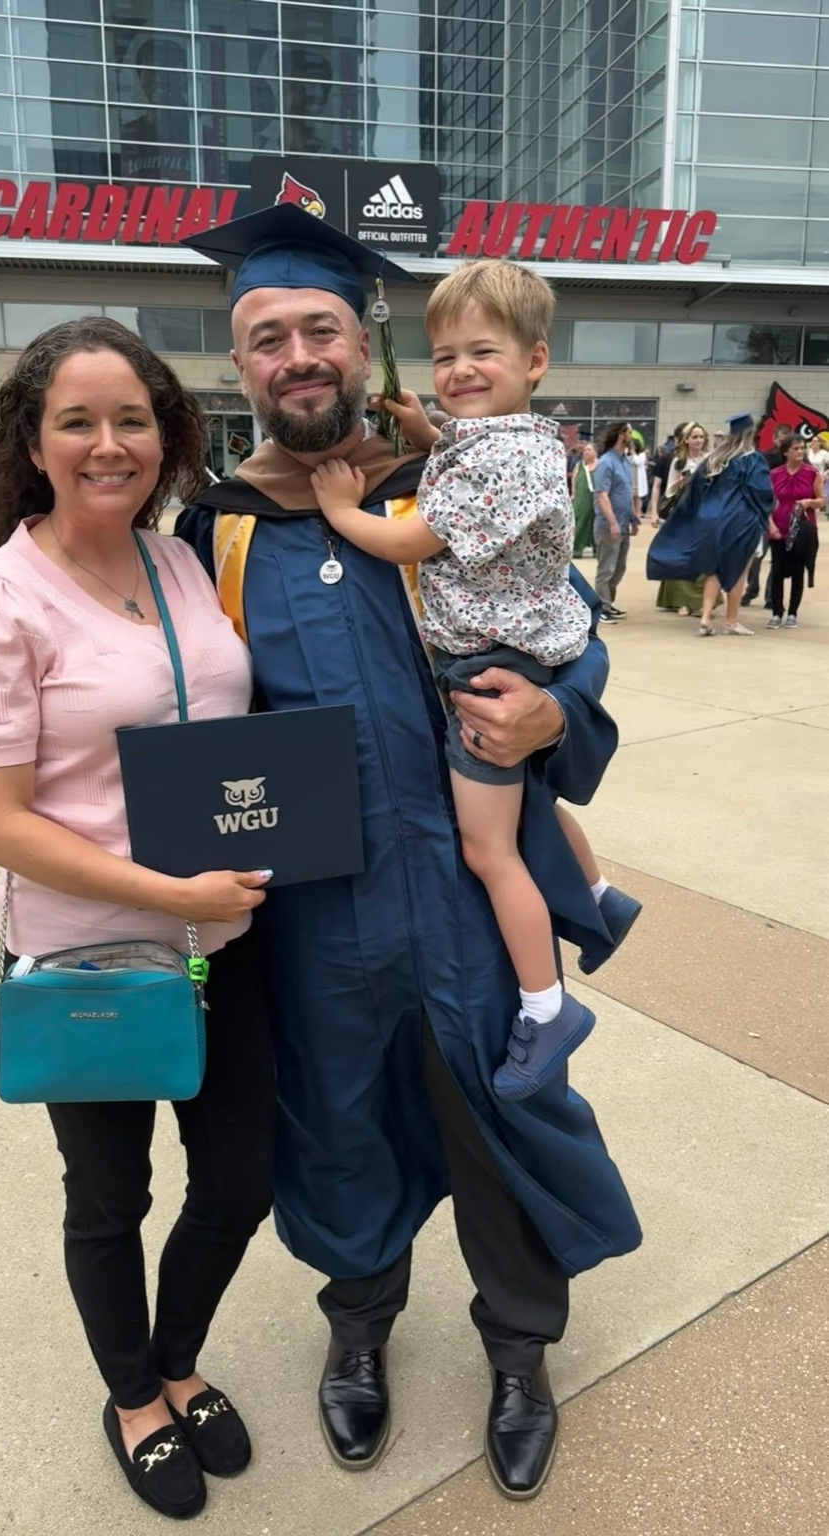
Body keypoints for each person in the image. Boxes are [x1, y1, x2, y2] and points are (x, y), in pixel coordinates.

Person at [177, 205, 640, 1503]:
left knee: (504, 1114)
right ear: (244, 368)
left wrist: (559, 712)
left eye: (318, 326)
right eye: (266, 337)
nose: (295, 354)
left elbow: (564, 634)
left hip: (458, 889)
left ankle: (516, 1347)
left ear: (362, 340)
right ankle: (361, 1320)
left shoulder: (450, 492)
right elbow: (180, 723)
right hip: (315, 917)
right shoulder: (213, 532)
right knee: (337, 1129)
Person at [0, 317, 275, 1521]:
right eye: (76, 420)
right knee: (109, 1196)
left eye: (131, 417)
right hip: (93, 950)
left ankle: (179, 1356)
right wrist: (166, 892)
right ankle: (135, 1395)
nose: (107, 443)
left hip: (222, 942)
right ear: (33, 439)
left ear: (166, 432)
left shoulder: (180, 560)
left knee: (241, 1180)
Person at [309, 258, 641, 1097]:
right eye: (445, 355)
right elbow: (461, 453)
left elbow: (417, 538)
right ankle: (600, 896)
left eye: (482, 353)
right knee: (535, 803)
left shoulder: (503, 463)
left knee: (489, 849)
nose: (459, 370)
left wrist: (344, 511)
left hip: (490, 668)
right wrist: (424, 426)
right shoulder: (513, 439)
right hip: (520, 648)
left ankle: (544, 1008)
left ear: (536, 359)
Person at [647, 413, 774, 637]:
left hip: (713, 520)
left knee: (714, 570)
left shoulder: (714, 459)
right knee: (739, 571)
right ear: (750, 434)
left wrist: (698, 515)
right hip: (741, 522)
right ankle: (731, 621)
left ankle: (705, 618)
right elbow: (762, 492)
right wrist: (768, 513)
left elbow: (695, 490)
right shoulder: (752, 459)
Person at [767, 433, 824, 629]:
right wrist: (771, 525)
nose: (800, 452)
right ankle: (776, 612)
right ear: (785, 452)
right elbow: (768, 503)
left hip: (801, 528)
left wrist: (809, 502)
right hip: (779, 527)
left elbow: (821, 500)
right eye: (796, 448)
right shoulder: (774, 474)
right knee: (777, 570)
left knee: (798, 569)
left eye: (802, 448)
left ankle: (792, 612)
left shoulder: (812, 473)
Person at [653, 422, 708, 617]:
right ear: (687, 440)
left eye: (701, 437)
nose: (698, 441)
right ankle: (682, 601)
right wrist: (682, 482)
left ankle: (701, 601)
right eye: (694, 437)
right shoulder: (679, 462)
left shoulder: (709, 460)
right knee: (682, 557)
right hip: (684, 513)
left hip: (704, 513)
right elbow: (669, 491)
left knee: (702, 556)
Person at [592, 420, 637, 623]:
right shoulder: (606, 462)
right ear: (620, 435)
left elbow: (627, 492)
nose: (632, 436)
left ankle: (608, 603)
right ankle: (601, 607)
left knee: (619, 568)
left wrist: (634, 517)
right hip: (608, 525)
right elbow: (602, 495)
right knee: (606, 568)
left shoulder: (624, 461)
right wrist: (612, 523)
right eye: (629, 432)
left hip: (623, 523)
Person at [571, 441, 597, 557]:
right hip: (582, 498)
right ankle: (577, 548)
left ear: (595, 452)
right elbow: (574, 480)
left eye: (589, 450)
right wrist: (573, 494)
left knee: (596, 522)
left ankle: (597, 548)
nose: (586, 452)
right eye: (585, 450)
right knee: (580, 520)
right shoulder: (579, 465)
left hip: (596, 498)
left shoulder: (600, 465)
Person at [629, 431, 648, 524]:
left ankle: (638, 513)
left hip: (638, 477)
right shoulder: (628, 454)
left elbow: (637, 462)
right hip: (631, 476)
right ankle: (633, 515)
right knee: (631, 496)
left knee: (638, 496)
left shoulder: (642, 454)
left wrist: (633, 454)